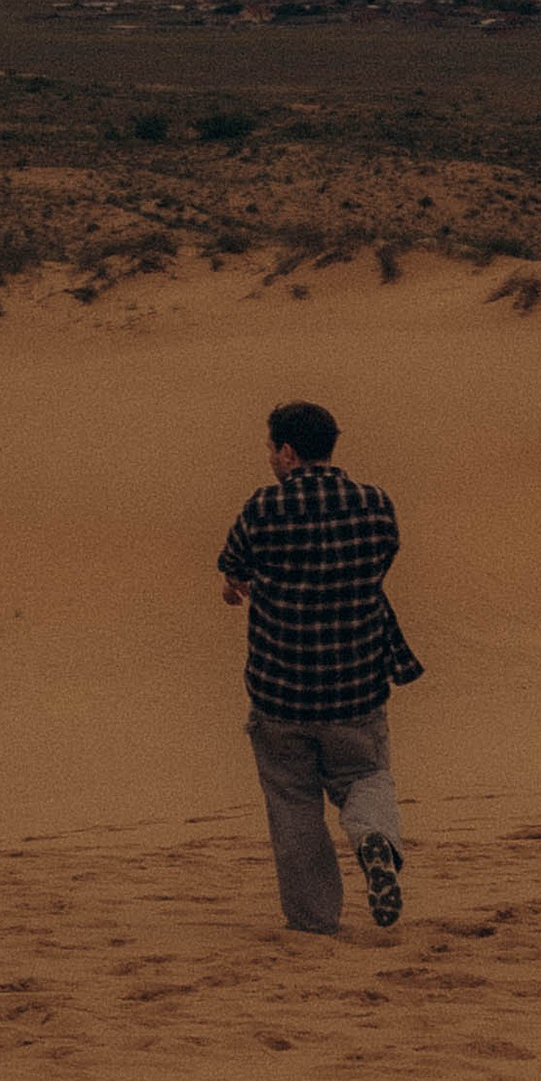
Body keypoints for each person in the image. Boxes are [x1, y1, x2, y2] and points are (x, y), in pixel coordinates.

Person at [218, 399, 422, 936]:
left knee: (293, 805)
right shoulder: (376, 505)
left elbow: (233, 561)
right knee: (367, 775)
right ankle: (373, 836)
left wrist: (237, 584)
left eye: (270, 448)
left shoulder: (264, 508)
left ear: (288, 452)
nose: (268, 457)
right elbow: (383, 560)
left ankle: (313, 921)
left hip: (280, 690)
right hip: (355, 685)